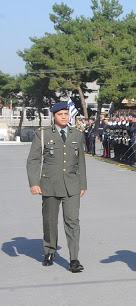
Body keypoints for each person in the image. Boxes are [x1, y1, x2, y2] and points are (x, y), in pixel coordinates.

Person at [26, 102, 88, 272]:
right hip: (50, 185)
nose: (63, 116)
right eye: (60, 114)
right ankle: (49, 251)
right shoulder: (43, 134)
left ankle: (74, 258)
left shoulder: (77, 134)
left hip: (72, 185)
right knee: (50, 221)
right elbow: (33, 160)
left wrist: (83, 184)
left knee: (72, 221)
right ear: (53, 116)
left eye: (66, 114)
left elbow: (80, 162)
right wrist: (34, 183)